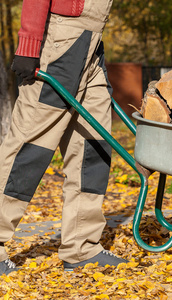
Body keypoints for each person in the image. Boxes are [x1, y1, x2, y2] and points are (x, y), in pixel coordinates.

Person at [0, 0, 128, 275]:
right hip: (61, 41)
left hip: (92, 44)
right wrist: (28, 45)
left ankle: (82, 247)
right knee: (28, 149)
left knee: (93, 147)